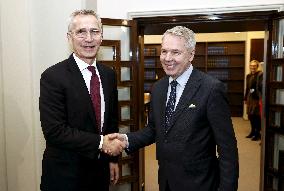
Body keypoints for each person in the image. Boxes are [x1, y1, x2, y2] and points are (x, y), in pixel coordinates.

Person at [110, 26, 239, 191]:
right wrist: (125, 140)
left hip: (201, 183)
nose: (167, 58)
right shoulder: (158, 88)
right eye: (164, 51)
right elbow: (154, 130)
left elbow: (227, 149)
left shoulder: (211, 89)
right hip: (166, 181)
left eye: (175, 52)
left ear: (191, 54)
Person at [39, 10, 125, 191]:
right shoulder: (53, 76)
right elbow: (54, 131)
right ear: (69, 37)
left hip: (100, 173)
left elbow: (111, 122)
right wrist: (102, 143)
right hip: (66, 176)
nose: (89, 38)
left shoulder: (109, 75)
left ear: (101, 36)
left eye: (95, 32)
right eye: (81, 32)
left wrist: (112, 160)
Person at [244, 60, 262, 141]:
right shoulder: (248, 76)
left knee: (256, 116)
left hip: (256, 98)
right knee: (250, 115)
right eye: (251, 65)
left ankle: (257, 133)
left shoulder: (260, 75)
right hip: (249, 97)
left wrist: (252, 91)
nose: (252, 67)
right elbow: (248, 88)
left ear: (257, 66)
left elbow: (260, 87)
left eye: (254, 66)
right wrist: (245, 98)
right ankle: (252, 131)